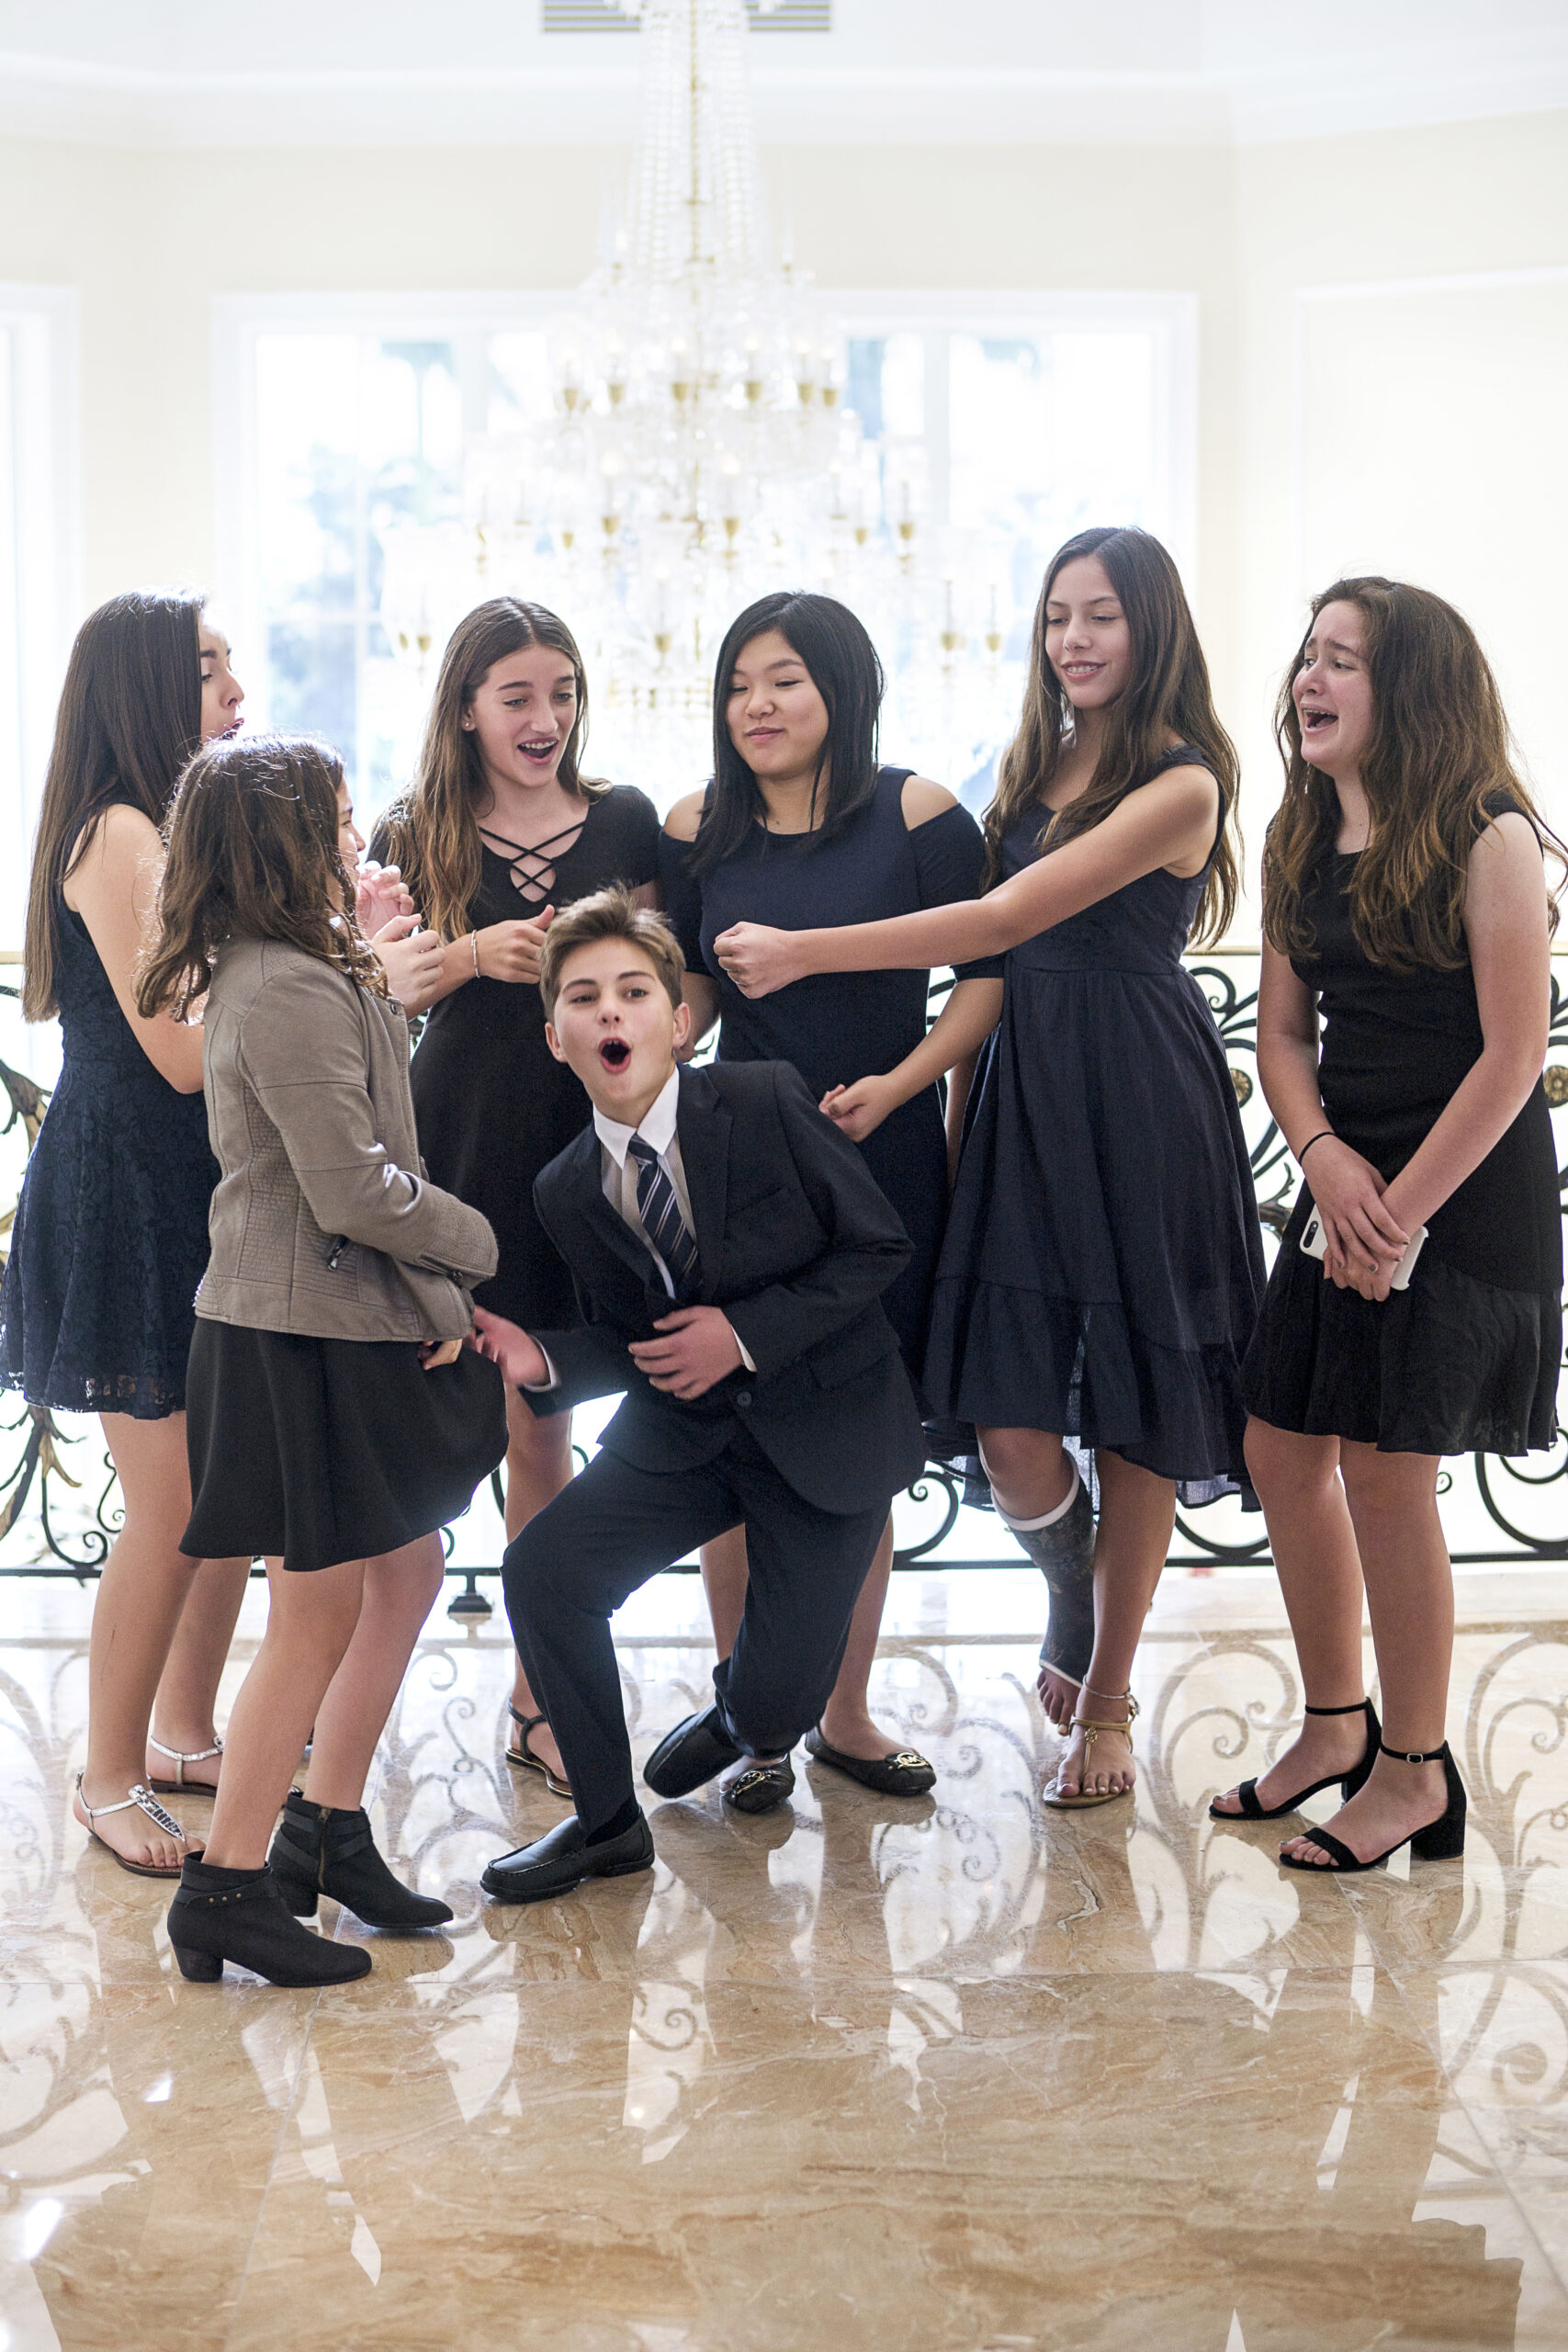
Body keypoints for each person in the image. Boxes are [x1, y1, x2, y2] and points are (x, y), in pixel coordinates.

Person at [715, 526, 1264, 1809]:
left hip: (1139, 1093)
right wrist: (957, 1131)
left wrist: (803, 950)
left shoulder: (1182, 782)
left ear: (1152, 629)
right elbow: (994, 976)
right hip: (1022, 1093)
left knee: (1134, 1411)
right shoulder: (1032, 766)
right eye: (1057, 615)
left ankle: (1107, 1698)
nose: (1072, 638)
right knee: (1012, 1432)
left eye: (1100, 615)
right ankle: (1071, 1586)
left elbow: (1006, 919)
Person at [468, 887, 928, 1901]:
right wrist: (541, 1359)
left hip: (824, 1426)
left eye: (634, 991)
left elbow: (877, 1247)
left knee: (775, 1714)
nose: (610, 1009)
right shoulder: (564, 1187)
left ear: (678, 1022)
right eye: (583, 997)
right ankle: (605, 1824)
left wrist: (743, 1334)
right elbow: (632, 1338)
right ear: (556, 1040)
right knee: (545, 1572)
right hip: (685, 1434)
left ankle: (738, 1718)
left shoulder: (764, 1097)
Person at [138, 732, 507, 1985]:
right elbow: (350, 1187)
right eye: (340, 822)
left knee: (403, 1570)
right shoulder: (284, 987)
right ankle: (226, 1886)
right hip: (296, 1334)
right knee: (315, 1614)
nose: (359, 840)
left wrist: (373, 956)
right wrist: (474, 1248)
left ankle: (323, 1830)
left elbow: (353, 1122)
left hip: (327, 1320)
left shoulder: (298, 970)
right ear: (287, 844)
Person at [1212, 579, 1561, 1873]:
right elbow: (1283, 1038)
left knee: (1381, 1468)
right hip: (1345, 1184)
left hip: (1457, 1199)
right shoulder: (1300, 834)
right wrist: (1321, 1162)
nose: (1309, 678)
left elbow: (1512, 1056)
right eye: (1306, 654)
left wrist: (1394, 1215)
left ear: (1407, 688)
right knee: (1276, 1444)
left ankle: (1414, 1773)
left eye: (1342, 659)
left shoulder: (1487, 834)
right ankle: (1333, 1725)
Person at [660, 591, 1004, 1795]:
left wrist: (899, 1086)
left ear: (842, 689)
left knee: (859, 1454)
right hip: (743, 1173)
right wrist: (656, 1033)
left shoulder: (921, 814)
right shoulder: (695, 824)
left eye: (784, 680)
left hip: (879, 1164)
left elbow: (984, 978)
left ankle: (844, 1714)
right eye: (738, 684)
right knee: (735, 1449)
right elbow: (693, 986)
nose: (756, 705)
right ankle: (749, 1720)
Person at [371, 598, 660, 1798]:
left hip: (582, 1148)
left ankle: (543, 1692)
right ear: (466, 710)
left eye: (562, 693)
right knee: (419, 1414)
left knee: (545, 1420)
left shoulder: (627, 819)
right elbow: (369, 1001)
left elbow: (658, 976)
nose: (546, 718)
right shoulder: (412, 830)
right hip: (453, 1144)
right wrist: (468, 957)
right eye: (518, 697)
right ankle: (342, 1694)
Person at [0, 592, 255, 1875]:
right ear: (146, 687)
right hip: (127, 1192)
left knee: (224, 1490)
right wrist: (343, 982)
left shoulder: (170, 827)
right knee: (174, 1504)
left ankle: (183, 1732)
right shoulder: (119, 831)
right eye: (208, 669)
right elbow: (180, 1053)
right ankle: (106, 1778)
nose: (236, 692)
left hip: (186, 1184)